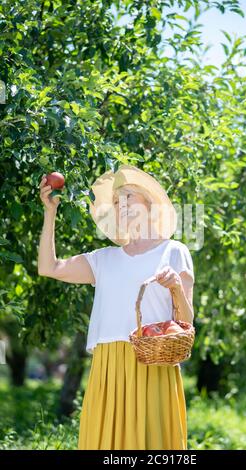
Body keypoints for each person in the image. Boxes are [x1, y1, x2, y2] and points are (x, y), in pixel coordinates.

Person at [38, 164, 194, 450]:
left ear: (149, 205)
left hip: (153, 365)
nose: (121, 205)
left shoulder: (174, 251)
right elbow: (49, 267)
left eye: (129, 197)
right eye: (117, 200)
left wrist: (175, 289)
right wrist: (50, 213)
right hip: (108, 368)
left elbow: (186, 323)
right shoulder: (103, 259)